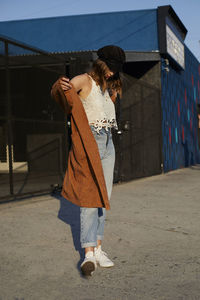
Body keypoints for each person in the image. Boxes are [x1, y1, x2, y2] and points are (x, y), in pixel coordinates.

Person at [51, 45, 126, 276]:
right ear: (100, 63)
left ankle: (100, 248)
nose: (112, 73)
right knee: (88, 198)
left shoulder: (107, 87)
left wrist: (111, 94)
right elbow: (61, 93)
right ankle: (89, 253)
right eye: (110, 68)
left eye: (115, 70)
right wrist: (60, 86)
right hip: (88, 142)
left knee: (103, 199)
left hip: (107, 143)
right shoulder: (84, 80)